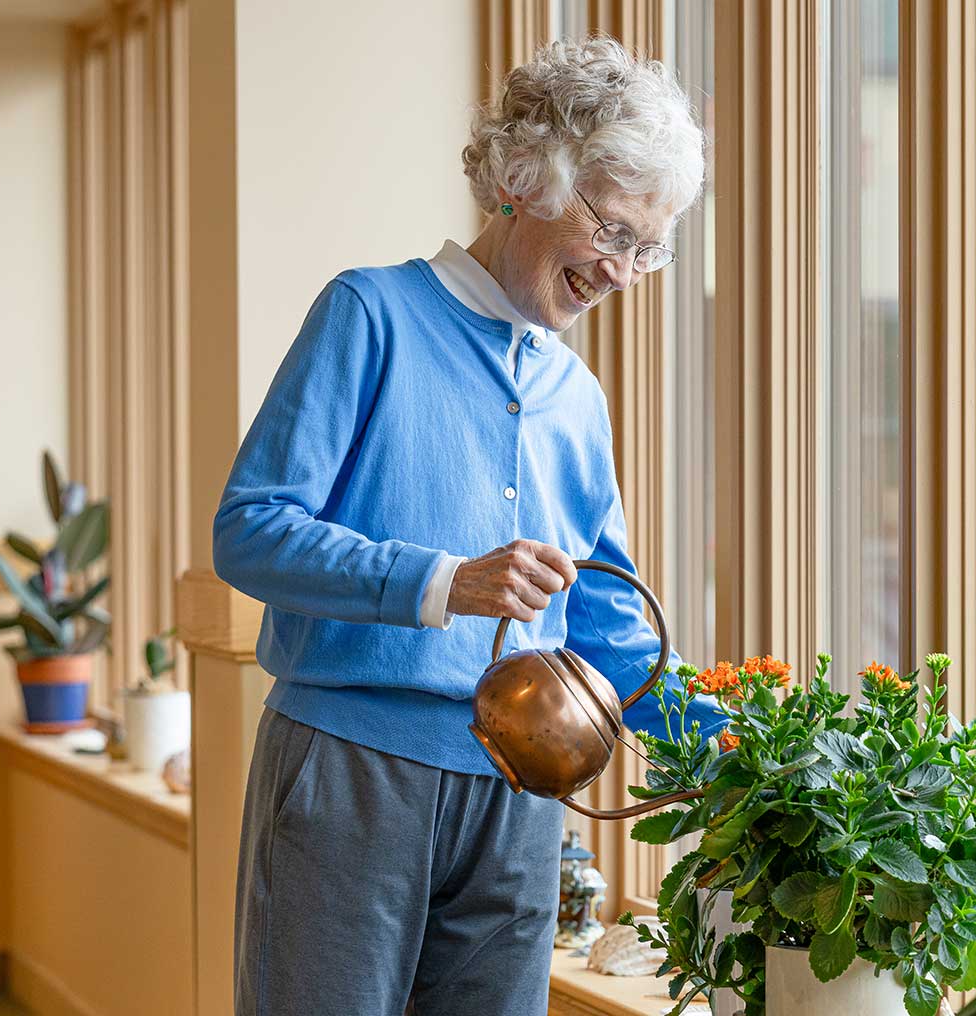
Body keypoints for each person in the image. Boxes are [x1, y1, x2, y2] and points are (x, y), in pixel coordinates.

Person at [212, 36, 727, 1016]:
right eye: (612, 230)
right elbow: (250, 530)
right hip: (349, 770)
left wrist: (745, 740)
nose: (622, 271)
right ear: (526, 181)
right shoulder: (371, 314)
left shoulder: (578, 397)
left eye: (647, 248)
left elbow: (611, 634)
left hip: (520, 796)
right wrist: (448, 581)